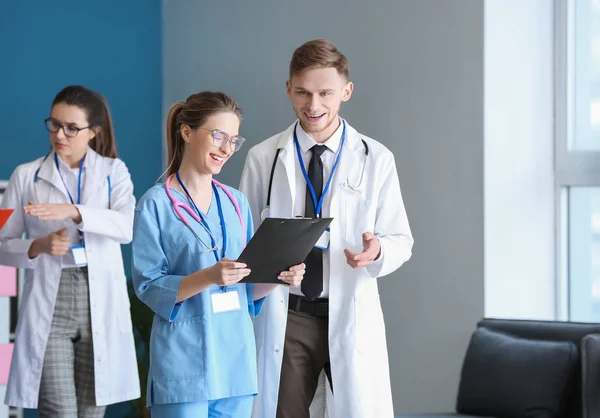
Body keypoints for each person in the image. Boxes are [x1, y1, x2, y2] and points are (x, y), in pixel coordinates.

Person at [239, 39, 414, 418]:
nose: (313, 105)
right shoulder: (264, 158)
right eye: (302, 92)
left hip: (349, 309)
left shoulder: (376, 159)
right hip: (289, 315)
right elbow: (243, 243)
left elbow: (401, 239)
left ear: (346, 92)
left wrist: (377, 250)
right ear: (288, 89)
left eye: (325, 93)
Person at [131, 91, 305, 418]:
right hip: (183, 367)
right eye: (219, 136)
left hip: (234, 366)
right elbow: (149, 287)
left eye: (234, 140)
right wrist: (209, 276)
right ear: (187, 132)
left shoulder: (236, 203)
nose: (227, 149)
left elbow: (246, 287)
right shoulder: (155, 204)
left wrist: (279, 277)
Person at [0, 85, 140, 417]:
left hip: (99, 298)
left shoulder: (114, 173)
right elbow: (2, 245)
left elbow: (126, 227)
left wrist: (74, 211)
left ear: (93, 132)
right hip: (51, 303)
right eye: (54, 124)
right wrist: (38, 246)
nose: (59, 134)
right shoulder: (26, 176)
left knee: (92, 411)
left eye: (71, 128)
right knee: (59, 412)